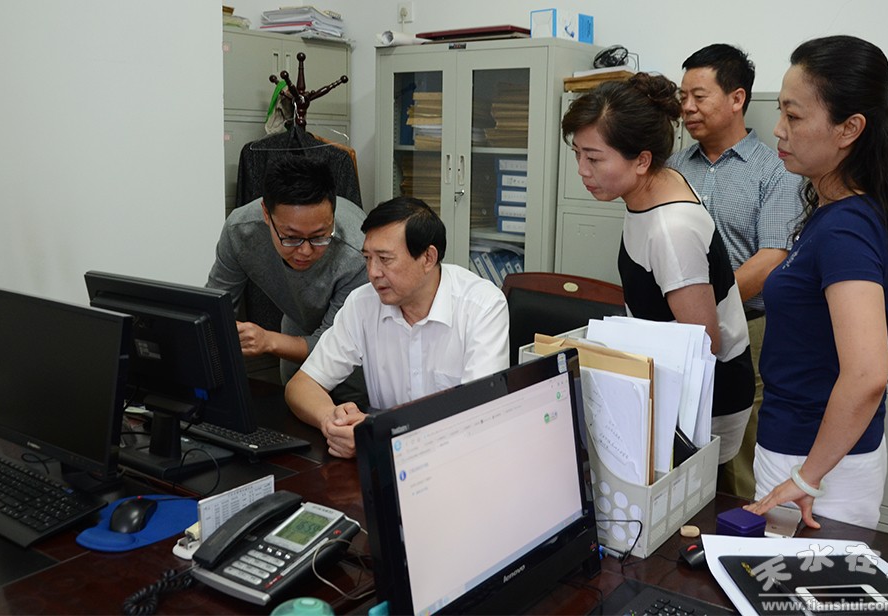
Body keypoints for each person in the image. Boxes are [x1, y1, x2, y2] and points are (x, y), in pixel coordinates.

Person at [744, 35, 888, 529]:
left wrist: (806, 479)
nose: (779, 129)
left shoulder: (846, 228)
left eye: (794, 116)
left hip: (816, 467)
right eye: (781, 112)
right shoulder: (836, 212)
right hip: (805, 453)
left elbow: (867, 374)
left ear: (849, 129)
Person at [561, 74, 755, 466]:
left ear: (642, 160)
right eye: (577, 153)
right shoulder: (653, 187)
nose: (582, 169)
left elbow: (703, 343)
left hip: (705, 402)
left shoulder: (671, 230)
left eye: (594, 158)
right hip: (668, 385)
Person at [668, 44, 804, 498]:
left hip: (747, 327)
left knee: (738, 458)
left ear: (736, 98)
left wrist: (703, 304)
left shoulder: (775, 169)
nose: (687, 107)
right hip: (678, 330)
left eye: (699, 96)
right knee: (680, 447)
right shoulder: (675, 168)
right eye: (683, 97)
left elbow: (772, 257)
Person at [285, 196, 510, 458]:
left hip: (459, 459)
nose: (373, 272)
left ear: (428, 257)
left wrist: (379, 433)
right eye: (368, 258)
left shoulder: (482, 306)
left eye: (385, 259)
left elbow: (480, 413)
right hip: (387, 462)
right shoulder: (363, 303)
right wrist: (333, 422)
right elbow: (302, 385)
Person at [206, 156, 368, 396]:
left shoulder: (358, 252)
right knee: (292, 405)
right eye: (291, 237)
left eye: (319, 236)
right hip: (297, 328)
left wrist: (267, 340)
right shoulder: (240, 231)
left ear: (333, 216)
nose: (305, 250)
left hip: (355, 351)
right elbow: (213, 310)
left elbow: (337, 345)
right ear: (266, 214)